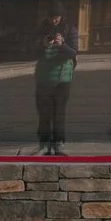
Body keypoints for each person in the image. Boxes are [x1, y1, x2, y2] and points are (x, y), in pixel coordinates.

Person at [34, 10, 77, 155]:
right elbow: (29, 52)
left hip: (62, 79)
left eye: (56, 18)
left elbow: (74, 53)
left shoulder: (70, 29)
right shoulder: (41, 30)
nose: (54, 21)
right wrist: (43, 44)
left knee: (59, 113)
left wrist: (62, 45)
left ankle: (58, 144)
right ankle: (44, 144)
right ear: (47, 17)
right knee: (44, 113)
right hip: (43, 79)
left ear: (61, 17)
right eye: (51, 17)